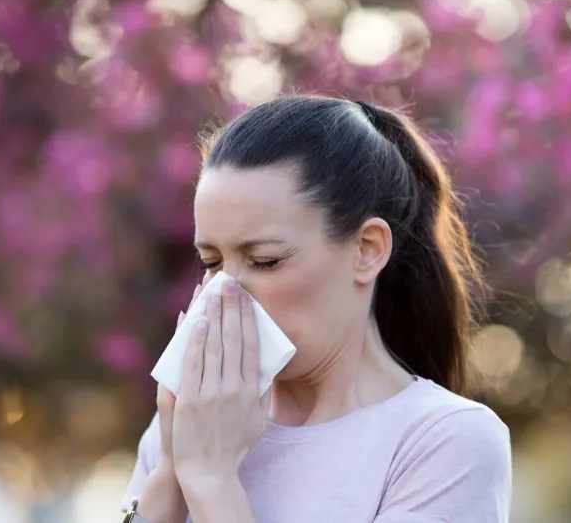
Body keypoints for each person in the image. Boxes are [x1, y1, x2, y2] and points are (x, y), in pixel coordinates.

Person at [119, 96, 512, 523]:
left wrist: (213, 484)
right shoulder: (189, 428)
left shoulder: (445, 442)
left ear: (367, 250)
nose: (224, 294)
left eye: (265, 260)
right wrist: (174, 472)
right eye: (211, 263)